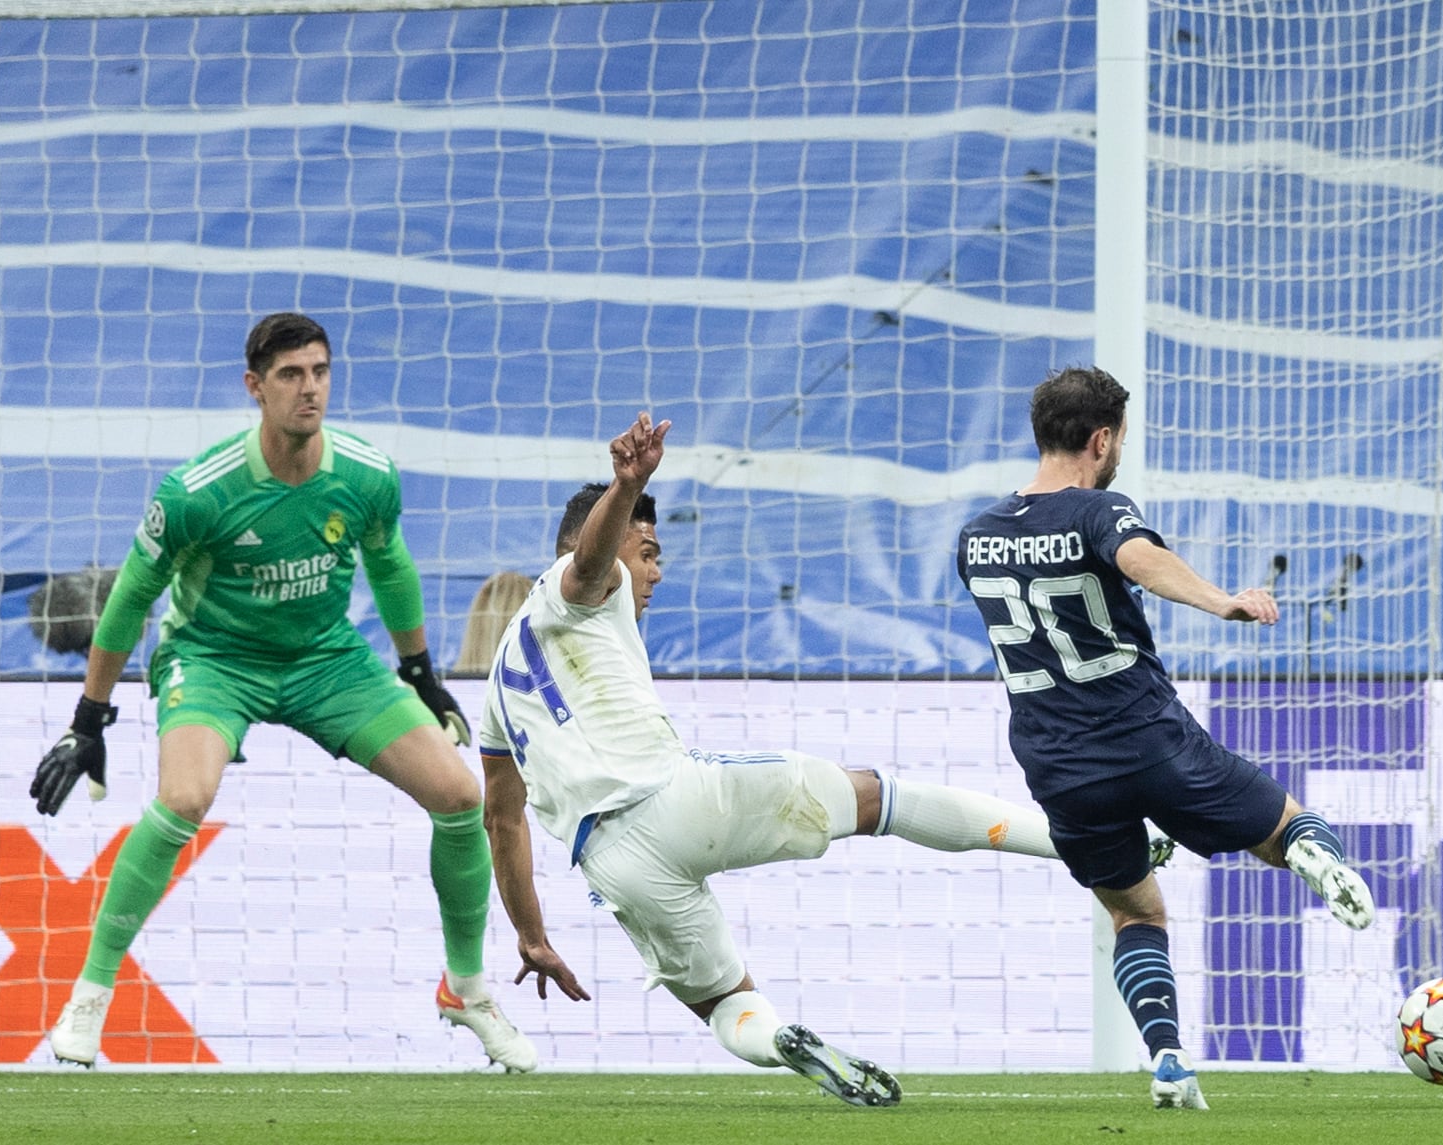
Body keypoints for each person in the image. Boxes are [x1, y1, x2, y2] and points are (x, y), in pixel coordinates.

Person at [476, 411, 1170, 1106]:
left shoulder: (494, 699)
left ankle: (778, 1039)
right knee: (876, 797)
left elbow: (502, 823)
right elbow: (592, 561)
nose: (655, 570)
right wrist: (627, 488)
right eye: (649, 551)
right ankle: (1083, 842)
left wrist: (532, 935)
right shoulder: (576, 585)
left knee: (724, 1000)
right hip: (675, 796)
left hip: (611, 863)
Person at [29, 312, 534, 1072]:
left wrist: (421, 672)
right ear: (255, 388)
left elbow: (390, 565)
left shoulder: (366, 473)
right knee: (185, 799)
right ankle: (91, 994)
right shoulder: (199, 491)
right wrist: (89, 717)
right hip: (214, 658)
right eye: (292, 375)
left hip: (326, 660)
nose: (311, 389)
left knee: (460, 797)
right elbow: (131, 598)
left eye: (321, 371)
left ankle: (464, 986)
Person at [957, 366, 1376, 1111]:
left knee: (1137, 913)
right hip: (1147, 736)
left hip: (1059, 765)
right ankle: (1312, 853)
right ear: (1101, 437)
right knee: (1284, 824)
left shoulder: (976, 537)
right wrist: (1223, 602)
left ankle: (1170, 1060)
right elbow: (1137, 558)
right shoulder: (1099, 510)